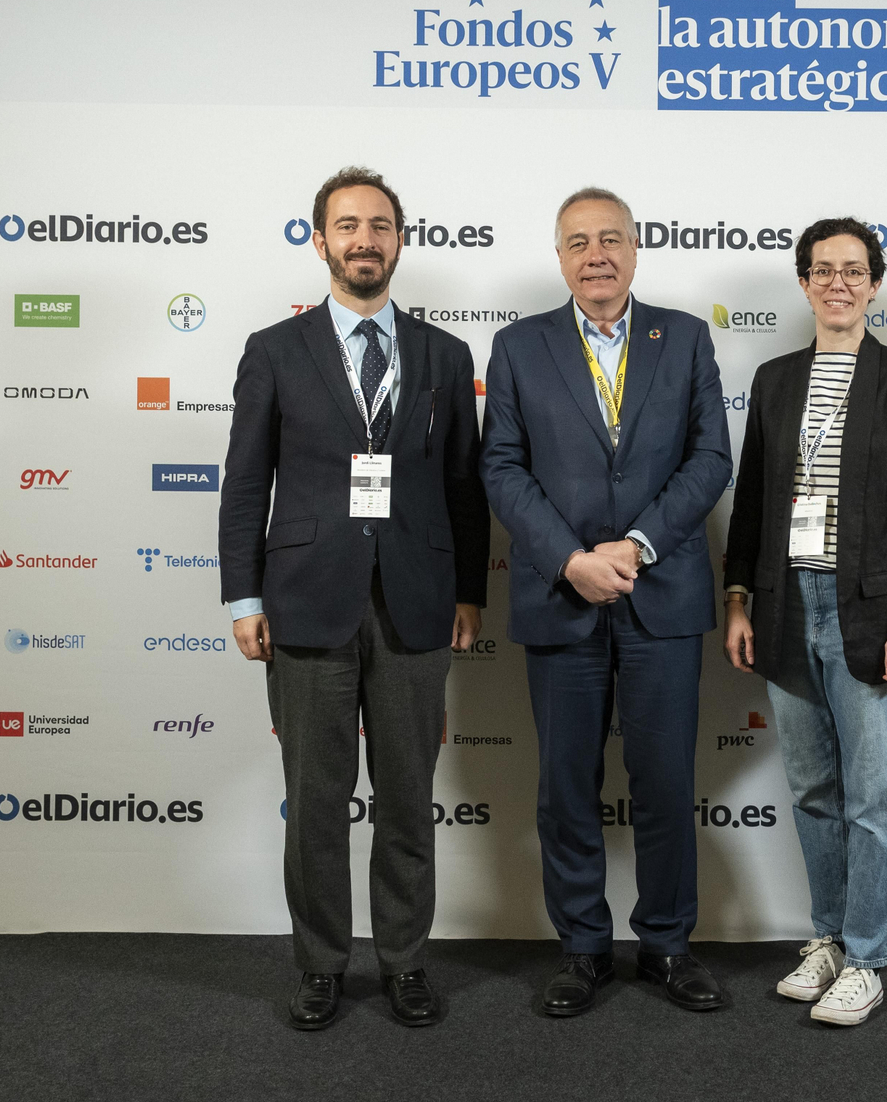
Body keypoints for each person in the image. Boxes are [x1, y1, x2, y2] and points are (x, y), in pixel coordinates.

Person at [219, 165, 490, 1032]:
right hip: (304, 600)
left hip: (417, 600)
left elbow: (464, 487)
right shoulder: (274, 349)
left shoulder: (445, 355)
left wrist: (470, 591)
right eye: (348, 225)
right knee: (316, 801)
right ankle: (321, 963)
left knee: (408, 796)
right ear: (320, 241)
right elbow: (244, 483)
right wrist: (243, 597)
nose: (364, 240)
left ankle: (405, 961)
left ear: (400, 241)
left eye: (379, 225)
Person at [480, 187, 732, 1017]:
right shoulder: (518, 346)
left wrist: (637, 544)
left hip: (662, 593)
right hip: (563, 597)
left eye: (611, 239)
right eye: (579, 241)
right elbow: (501, 466)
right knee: (565, 786)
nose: (597, 255)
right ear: (559, 257)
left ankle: (667, 944)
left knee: (664, 780)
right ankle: (583, 946)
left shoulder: (684, 337)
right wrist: (570, 559)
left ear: (635, 248)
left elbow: (711, 457)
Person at [723, 218, 887, 1027]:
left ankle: (868, 957)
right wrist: (738, 597)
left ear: (875, 283)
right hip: (786, 608)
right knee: (814, 790)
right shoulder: (776, 379)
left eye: (854, 270)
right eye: (823, 270)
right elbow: (751, 500)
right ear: (805, 282)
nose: (838, 283)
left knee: (873, 796)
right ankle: (827, 938)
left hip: (871, 616)